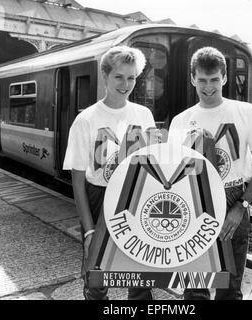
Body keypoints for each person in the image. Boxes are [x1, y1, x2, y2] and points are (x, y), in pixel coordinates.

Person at [168, 47, 252, 300]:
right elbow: (172, 174)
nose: (208, 87)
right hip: (194, 200)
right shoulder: (181, 121)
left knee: (229, 288)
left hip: (234, 196)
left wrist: (241, 206)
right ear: (192, 79)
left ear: (224, 78)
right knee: (195, 289)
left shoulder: (246, 112)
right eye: (202, 80)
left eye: (214, 79)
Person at [63, 46, 156, 300]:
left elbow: (150, 166)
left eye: (132, 77)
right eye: (119, 76)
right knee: (97, 277)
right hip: (98, 198)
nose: (126, 84)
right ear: (105, 76)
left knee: (139, 275)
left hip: (135, 199)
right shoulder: (86, 120)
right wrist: (89, 230)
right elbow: (78, 180)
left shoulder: (144, 115)